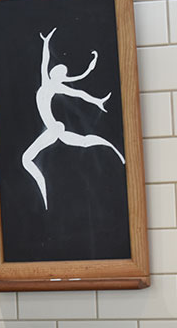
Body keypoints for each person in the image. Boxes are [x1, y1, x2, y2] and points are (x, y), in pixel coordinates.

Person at [22, 27, 125, 210]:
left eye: (59, 71)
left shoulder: (54, 86)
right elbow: (45, 61)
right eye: (59, 70)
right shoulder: (50, 83)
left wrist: (96, 100)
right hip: (54, 128)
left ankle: (44, 196)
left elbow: (80, 93)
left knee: (27, 159)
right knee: (83, 142)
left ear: (59, 76)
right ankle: (112, 149)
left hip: (53, 128)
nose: (56, 71)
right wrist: (46, 42)